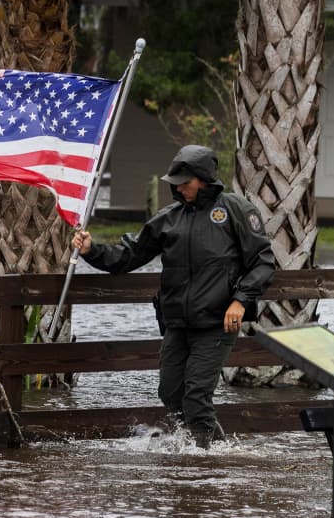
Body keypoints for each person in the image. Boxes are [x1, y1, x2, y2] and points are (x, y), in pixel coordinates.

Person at [71, 145, 274, 448]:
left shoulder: (236, 210)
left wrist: (240, 301)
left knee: (195, 397)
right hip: (176, 324)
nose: (178, 188)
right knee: (169, 392)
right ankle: (194, 446)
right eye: (175, 182)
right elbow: (128, 255)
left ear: (203, 178)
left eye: (185, 182)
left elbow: (263, 261)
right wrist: (92, 250)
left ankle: (210, 458)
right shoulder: (168, 218)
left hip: (217, 323)